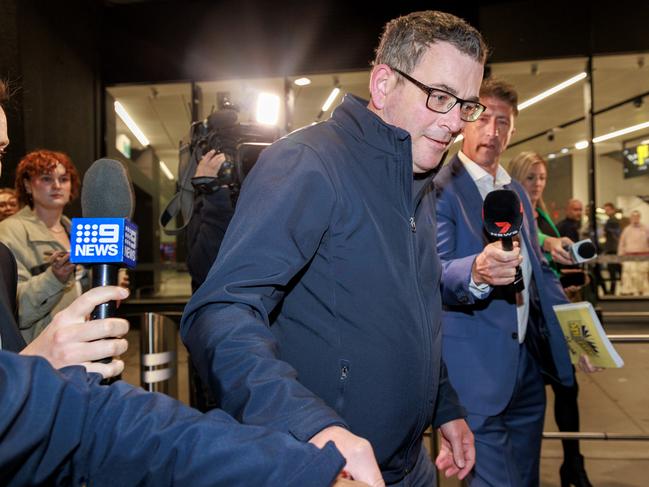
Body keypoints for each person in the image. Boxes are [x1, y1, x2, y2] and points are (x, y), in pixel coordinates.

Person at [181, 10, 487, 486]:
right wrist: (311, 426)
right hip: (327, 471)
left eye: (466, 105)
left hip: (410, 468)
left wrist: (444, 405)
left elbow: (413, 314)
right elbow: (219, 311)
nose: (454, 123)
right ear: (383, 84)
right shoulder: (309, 163)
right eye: (440, 97)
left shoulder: (419, 179)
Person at [0, 80, 349, 487]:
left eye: (1, 151)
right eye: (46, 179)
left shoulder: (43, 240)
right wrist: (33, 367)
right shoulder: (12, 240)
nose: (56, 186)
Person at [434, 78, 574, 486]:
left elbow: (539, 274)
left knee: (526, 479)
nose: (492, 131)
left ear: (513, 130)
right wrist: (476, 271)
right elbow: (435, 272)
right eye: (483, 117)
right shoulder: (441, 190)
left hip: (527, 371)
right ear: (465, 120)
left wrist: (578, 333)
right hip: (474, 376)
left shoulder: (514, 193)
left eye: (503, 122)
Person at [508, 151, 597, 487]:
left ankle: (573, 463)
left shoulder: (542, 215)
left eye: (542, 177)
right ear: (517, 176)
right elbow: (533, 247)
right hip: (528, 324)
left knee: (566, 389)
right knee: (535, 402)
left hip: (553, 316)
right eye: (531, 177)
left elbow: (546, 268)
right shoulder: (513, 214)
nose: (538, 184)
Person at [0, 149, 89, 343]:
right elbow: (14, 311)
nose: (57, 185)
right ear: (27, 185)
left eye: (64, 179)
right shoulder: (9, 232)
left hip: (83, 344)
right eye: (47, 179)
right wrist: (54, 278)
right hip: (41, 354)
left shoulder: (77, 232)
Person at [618, 210, 649, 296]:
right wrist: (621, 257)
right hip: (629, 257)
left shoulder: (646, 229)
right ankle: (629, 292)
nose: (635, 218)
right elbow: (622, 244)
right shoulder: (626, 230)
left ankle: (643, 291)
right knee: (629, 275)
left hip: (643, 257)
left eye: (637, 216)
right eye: (633, 216)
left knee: (643, 275)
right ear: (631, 218)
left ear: (640, 217)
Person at [602, 202, 622, 295]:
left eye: (608, 210)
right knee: (615, 270)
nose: (606, 212)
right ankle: (613, 290)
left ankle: (612, 291)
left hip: (612, 249)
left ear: (613, 210)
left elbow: (615, 235)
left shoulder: (612, 221)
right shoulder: (612, 220)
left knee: (613, 270)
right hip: (613, 248)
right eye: (605, 210)